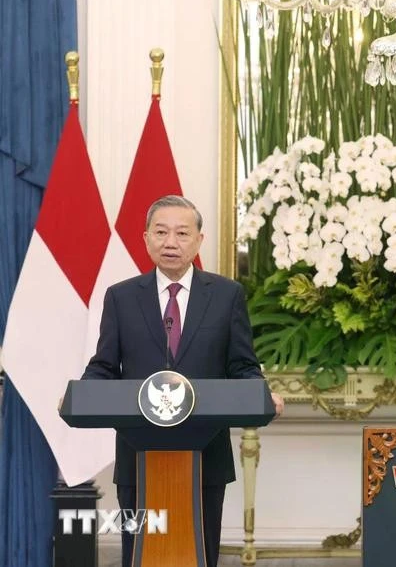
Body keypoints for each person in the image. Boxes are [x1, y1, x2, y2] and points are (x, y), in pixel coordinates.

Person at [82, 195, 284, 567]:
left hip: (205, 458)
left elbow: (243, 365)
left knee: (201, 554)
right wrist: (81, 394)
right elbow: (104, 366)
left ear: (199, 240)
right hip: (138, 459)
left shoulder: (226, 296)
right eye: (160, 232)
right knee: (138, 555)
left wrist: (261, 393)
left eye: (181, 233)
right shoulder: (122, 297)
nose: (170, 242)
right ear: (145, 238)